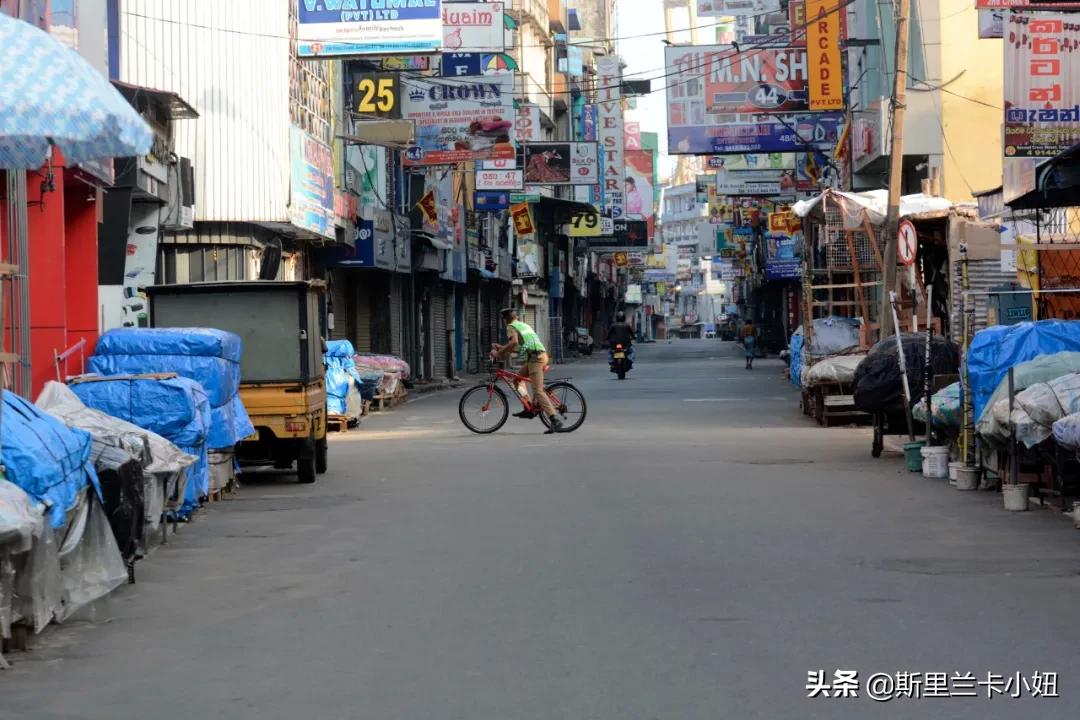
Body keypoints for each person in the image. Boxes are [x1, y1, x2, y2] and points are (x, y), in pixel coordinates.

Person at [491, 308, 563, 434]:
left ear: (505, 319)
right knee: (517, 380)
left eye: (503, 319)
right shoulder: (523, 325)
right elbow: (521, 347)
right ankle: (528, 408)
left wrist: (499, 352)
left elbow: (514, 343)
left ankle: (555, 419)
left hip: (536, 359)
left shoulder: (510, 327)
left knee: (538, 390)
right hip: (538, 356)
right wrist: (502, 348)